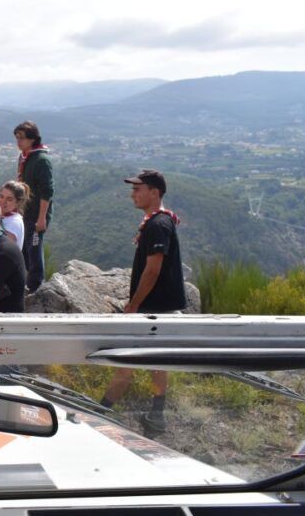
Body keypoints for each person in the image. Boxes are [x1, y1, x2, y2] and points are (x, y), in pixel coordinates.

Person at [100, 169, 186, 437]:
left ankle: (100, 412)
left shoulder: (158, 225)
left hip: (153, 309)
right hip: (160, 308)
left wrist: (134, 304)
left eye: (138, 189)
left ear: (155, 192)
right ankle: (156, 413)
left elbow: (152, 269)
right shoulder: (159, 222)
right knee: (156, 363)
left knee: (127, 362)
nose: (133, 194)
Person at [14, 121, 53, 293]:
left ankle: (36, 286)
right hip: (25, 211)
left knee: (34, 247)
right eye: (17, 138)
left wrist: (42, 218)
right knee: (24, 247)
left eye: (21, 138)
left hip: (37, 213)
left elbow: (47, 191)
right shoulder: (24, 157)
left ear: (32, 139)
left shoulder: (41, 160)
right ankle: (25, 281)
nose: (18, 142)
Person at [0, 180, 30, 249]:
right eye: (1, 196)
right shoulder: (4, 217)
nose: (3, 201)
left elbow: (3, 248)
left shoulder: (14, 222)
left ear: (18, 202)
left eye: (9, 199)